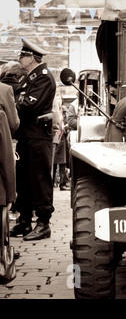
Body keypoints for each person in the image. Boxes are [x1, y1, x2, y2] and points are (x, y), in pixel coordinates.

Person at [10, 38, 56, 241]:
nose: (19, 59)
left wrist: (14, 104)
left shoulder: (43, 77)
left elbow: (29, 105)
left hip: (37, 136)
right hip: (27, 135)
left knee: (39, 179)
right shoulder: (30, 77)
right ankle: (25, 221)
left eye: (22, 55)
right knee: (24, 180)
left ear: (31, 58)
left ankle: (43, 223)